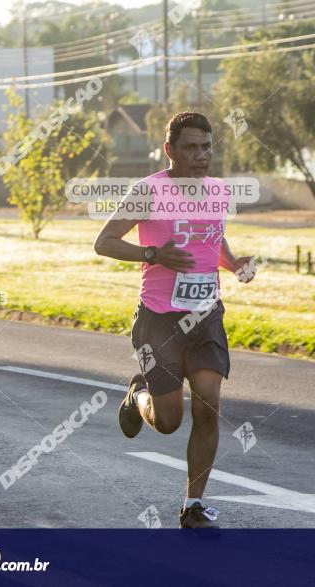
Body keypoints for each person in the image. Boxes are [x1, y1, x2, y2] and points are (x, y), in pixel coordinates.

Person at [93, 112, 256, 528]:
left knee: (208, 406)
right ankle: (137, 394)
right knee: (168, 422)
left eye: (206, 146)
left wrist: (233, 262)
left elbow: (212, 238)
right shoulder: (148, 191)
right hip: (159, 321)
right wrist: (153, 254)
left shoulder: (218, 191)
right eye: (190, 147)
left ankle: (193, 505)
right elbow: (105, 242)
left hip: (206, 317)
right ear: (170, 150)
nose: (201, 155)